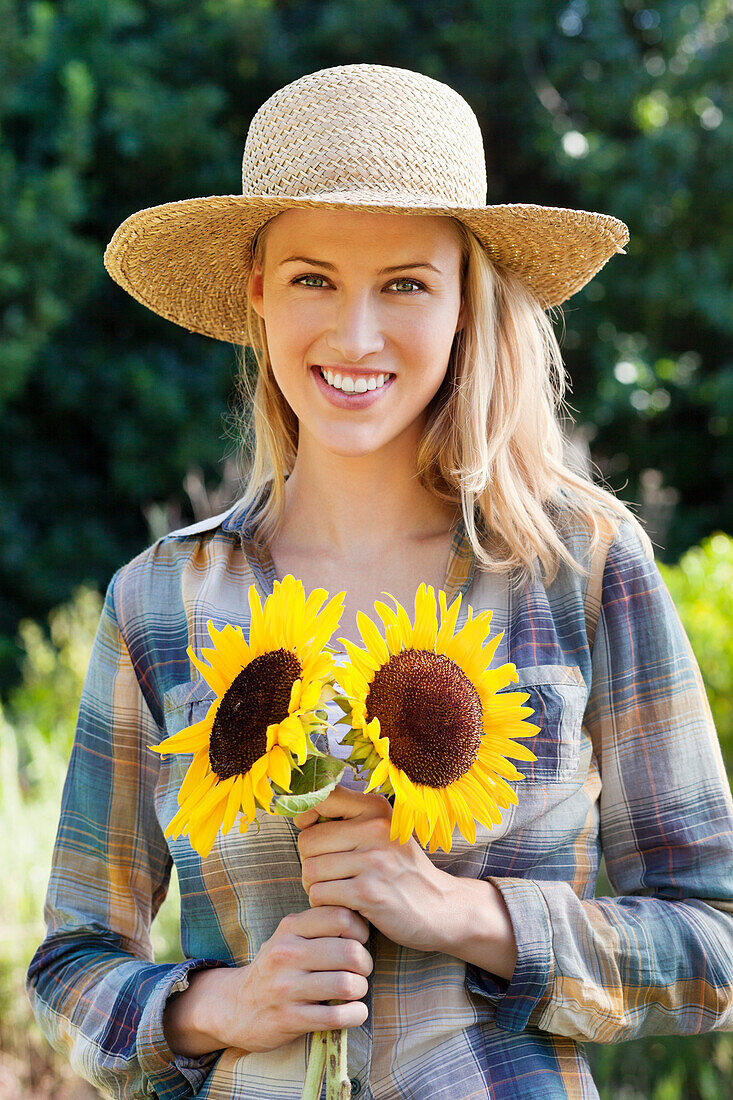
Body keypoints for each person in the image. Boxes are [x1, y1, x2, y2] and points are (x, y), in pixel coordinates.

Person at [26, 63, 733, 1100]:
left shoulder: (579, 566)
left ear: (462, 302)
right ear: (259, 292)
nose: (357, 337)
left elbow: (713, 942)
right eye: (314, 278)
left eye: (405, 283)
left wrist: (467, 916)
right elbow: (69, 966)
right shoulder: (159, 601)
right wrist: (223, 1003)